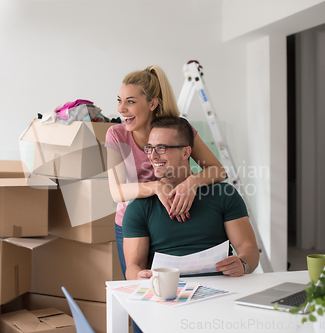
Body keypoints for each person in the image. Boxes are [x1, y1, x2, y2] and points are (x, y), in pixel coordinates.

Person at [105, 65, 227, 278]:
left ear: (153, 103)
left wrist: (191, 183)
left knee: (179, 286)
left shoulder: (176, 131)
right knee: (140, 285)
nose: (121, 109)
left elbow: (218, 171)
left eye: (130, 101)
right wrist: (156, 186)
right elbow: (116, 192)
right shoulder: (117, 134)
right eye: (119, 100)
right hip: (133, 223)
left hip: (172, 218)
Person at [122, 117, 260, 281]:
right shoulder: (140, 206)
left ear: (186, 152)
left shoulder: (224, 194)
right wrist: (139, 277)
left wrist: (242, 264)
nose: (152, 156)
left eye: (161, 148)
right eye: (150, 148)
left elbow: (249, 250)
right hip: (168, 293)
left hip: (223, 290)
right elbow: (133, 266)